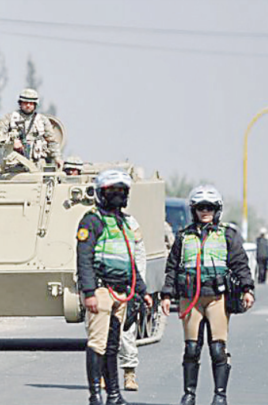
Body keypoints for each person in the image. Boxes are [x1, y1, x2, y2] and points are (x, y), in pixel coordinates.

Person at [160, 185, 255, 405]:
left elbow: (240, 264)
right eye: (201, 207)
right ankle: (189, 394)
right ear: (193, 209)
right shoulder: (184, 237)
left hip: (216, 298)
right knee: (192, 348)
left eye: (210, 207)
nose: (205, 211)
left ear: (217, 210)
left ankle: (220, 395)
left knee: (218, 348)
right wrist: (166, 295)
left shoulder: (227, 235)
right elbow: (172, 267)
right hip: (190, 298)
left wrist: (247, 289)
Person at [76, 169, 153, 405]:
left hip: (122, 292)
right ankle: (95, 396)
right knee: (97, 344)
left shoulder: (125, 223)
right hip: (101, 290)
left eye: (122, 191)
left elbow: (130, 260)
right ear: (101, 193)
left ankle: (114, 395)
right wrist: (89, 293)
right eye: (112, 191)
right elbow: (84, 258)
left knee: (113, 345)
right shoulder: (92, 220)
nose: (117, 195)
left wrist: (142, 290)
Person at [0, 88, 63, 171]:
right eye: (25, 102)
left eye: (31, 103)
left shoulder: (42, 120)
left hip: (37, 164)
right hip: (14, 164)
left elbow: (52, 141)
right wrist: (11, 142)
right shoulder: (9, 118)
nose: (28, 105)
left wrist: (57, 157)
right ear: (20, 103)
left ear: (35, 104)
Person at [117, 216, 147, 392]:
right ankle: (105, 374)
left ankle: (129, 374)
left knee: (127, 332)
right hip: (102, 285)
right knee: (102, 335)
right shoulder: (94, 220)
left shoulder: (129, 223)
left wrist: (139, 287)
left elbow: (139, 253)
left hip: (126, 285)